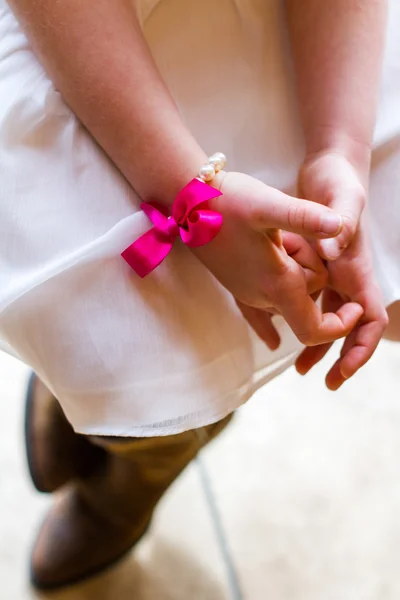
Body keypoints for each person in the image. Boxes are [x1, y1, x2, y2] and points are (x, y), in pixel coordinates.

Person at [0, 0, 396, 589]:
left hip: (309, 35)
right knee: (111, 331)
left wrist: (338, 148)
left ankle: (139, 474)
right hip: (88, 32)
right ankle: (112, 418)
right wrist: (192, 196)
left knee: (354, 283)